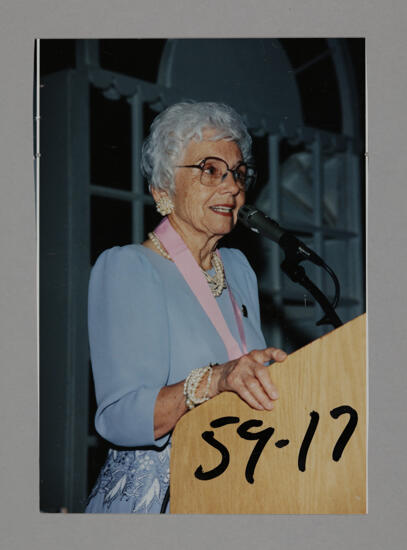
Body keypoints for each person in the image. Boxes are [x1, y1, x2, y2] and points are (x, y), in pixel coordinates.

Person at [85, 101, 287, 513]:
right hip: (159, 504)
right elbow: (118, 417)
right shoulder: (128, 267)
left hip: (235, 493)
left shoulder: (239, 268)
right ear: (162, 189)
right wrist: (213, 381)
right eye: (210, 170)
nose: (231, 187)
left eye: (238, 173)